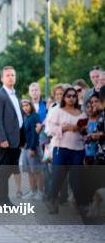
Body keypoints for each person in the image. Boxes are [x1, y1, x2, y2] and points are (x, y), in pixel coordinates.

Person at [45, 86, 87, 214]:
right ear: (64, 97)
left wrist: (80, 129)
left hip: (78, 149)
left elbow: (86, 131)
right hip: (61, 148)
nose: (72, 98)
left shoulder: (82, 113)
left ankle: (80, 205)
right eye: (69, 96)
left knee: (76, 178)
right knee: (58, 177)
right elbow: (49, 130)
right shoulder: (57, 110)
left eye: (74, 96)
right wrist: (65, 128)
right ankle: (52, 201)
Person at [0, 66, 25, 205]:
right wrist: (2, 139)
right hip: (5, 141)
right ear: (2, 78)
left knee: (8, 171)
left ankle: (4, 199)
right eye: (8, 75)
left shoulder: (15, 95)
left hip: (16, 141)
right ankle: (0, 201)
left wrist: (22, 139)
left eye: (13, 75)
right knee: (2, 173)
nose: (11, 77)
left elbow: (18, 119)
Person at [20, 99, 44, 200]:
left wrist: (32, 148)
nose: (25, 107)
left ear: (31, 106)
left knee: (37, 171)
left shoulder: (35, 116)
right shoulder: (26, 117)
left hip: (33, 147)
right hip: (26, 148)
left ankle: (40, 192)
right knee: (29, 171)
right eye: (23, 106)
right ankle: (32, 191)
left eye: (27, 105)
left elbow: (35, 134)